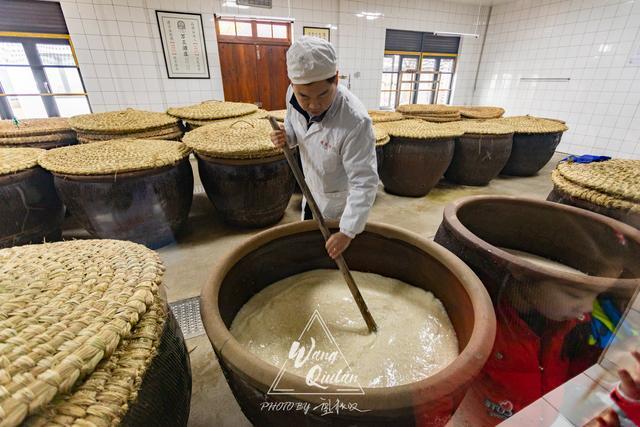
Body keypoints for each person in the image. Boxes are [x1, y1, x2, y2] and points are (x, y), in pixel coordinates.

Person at [270, 36, 378, 260]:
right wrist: (286, 137)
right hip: (310, 192)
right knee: (310, 250)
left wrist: (347, 232)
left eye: (323, 95)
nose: (313, 105)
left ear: (336, 79)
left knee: (337, 257)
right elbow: (293, 125)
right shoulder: (292, 96)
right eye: (304, 96)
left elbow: (364, 183)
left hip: (339, 205)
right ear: (293, 86)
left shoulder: (355, 122)